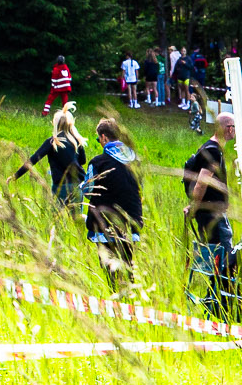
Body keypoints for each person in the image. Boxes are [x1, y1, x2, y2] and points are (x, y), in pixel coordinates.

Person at [183, 113, 238, 298]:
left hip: (207, 213)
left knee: (218, 258)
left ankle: (214, 295)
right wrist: (194, 207)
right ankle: (218, 299)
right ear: (228, 128)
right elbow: (201, 183)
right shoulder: (213, 151)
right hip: (212, 214)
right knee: (225, 258)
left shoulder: (209, 148)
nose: (235, 131)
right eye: (234, 127)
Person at [84, 117, 144, 281]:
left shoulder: (98, 162)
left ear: (104, 137)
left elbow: (88, 191)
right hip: (131, 223)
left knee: (110, 271)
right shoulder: (136, 161)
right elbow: (141, 190)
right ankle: (130, 295)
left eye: (99, 139)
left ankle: (113, 295)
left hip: (105, 224)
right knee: (127, 268)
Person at [8, 102, 88, 207]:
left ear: (55, 124)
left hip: (60, 187)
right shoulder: (76, 141)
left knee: (57, 215)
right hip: (77, 186)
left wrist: (15, 176)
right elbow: (83, 161)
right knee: (75, 216)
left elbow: (33, 160)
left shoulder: (52, 142)